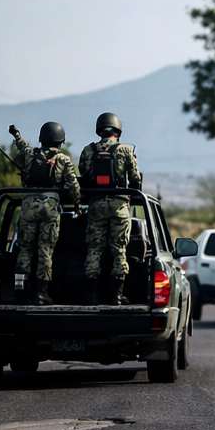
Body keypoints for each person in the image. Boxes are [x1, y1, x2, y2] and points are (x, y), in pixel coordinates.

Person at [9, 121, 81, 305]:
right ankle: (41, 295)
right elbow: (74, 186)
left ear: (41, 139)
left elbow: (22, 145)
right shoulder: (63, 160)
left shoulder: (30, 154)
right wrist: (77, 205)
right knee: (45, 251)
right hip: (50, 207)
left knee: (24, 250)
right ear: (60, 141)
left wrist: (16, 134)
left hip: (27, 206)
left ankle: (20, 291)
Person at [78, 112, 142, 305]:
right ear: (117, 130)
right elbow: (136, 179)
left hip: (96, 205)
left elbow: (84, 173)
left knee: (94, 250)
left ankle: (92, 296)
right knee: (119, 251)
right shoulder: (125, 150)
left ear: (100, 130)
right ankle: (117, 296)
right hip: (119, 206)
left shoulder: (89, 150)